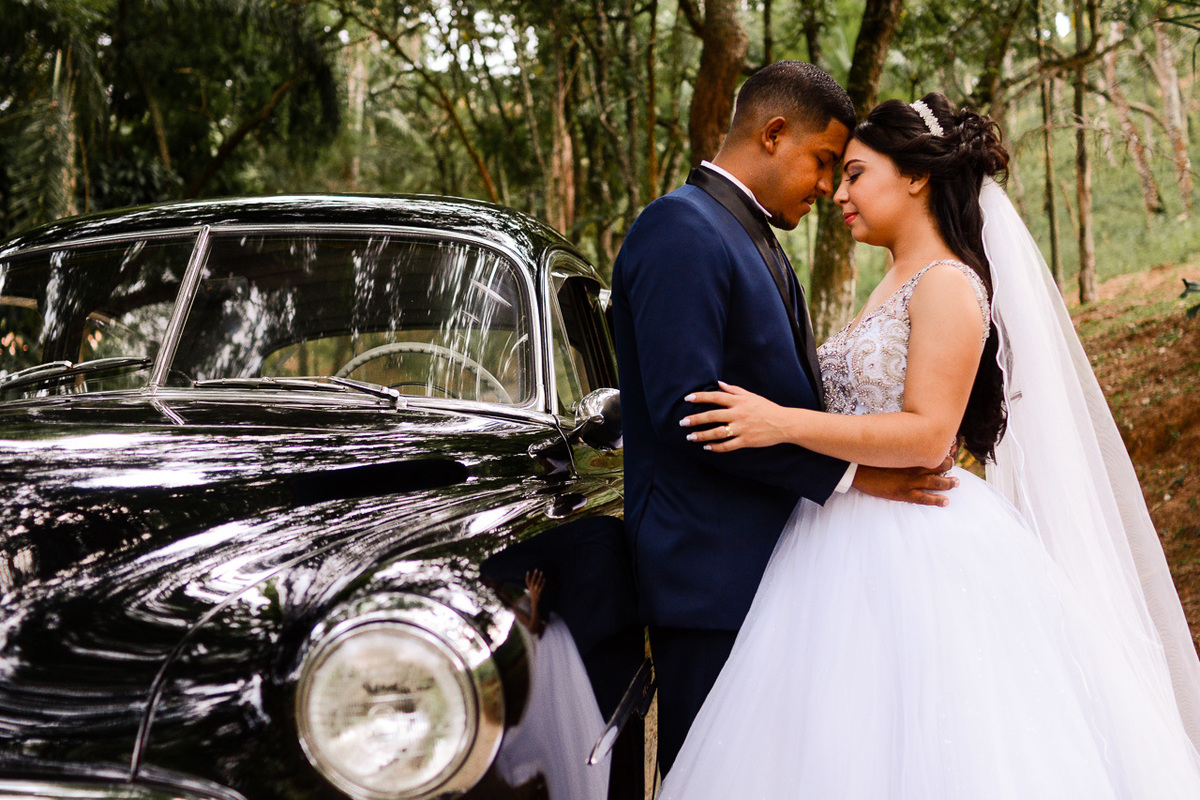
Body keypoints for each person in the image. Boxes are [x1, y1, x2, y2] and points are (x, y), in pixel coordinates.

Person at [658, 93, 1200, 798]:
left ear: (915, 176)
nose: (838, 193)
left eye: (854, 174)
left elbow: (928, 432)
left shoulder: (946, 284)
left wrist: (783, 423)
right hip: (833, 539)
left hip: (917, 547)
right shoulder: (891, 282)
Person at [610, 61, 958, 775]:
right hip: (710, 579)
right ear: (774, 133)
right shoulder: (680, 229)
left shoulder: (753, 237)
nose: (830, 187)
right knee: (711, 777)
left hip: (776, 570)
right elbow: (692, 411)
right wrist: (852, 475)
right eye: (824, 162)